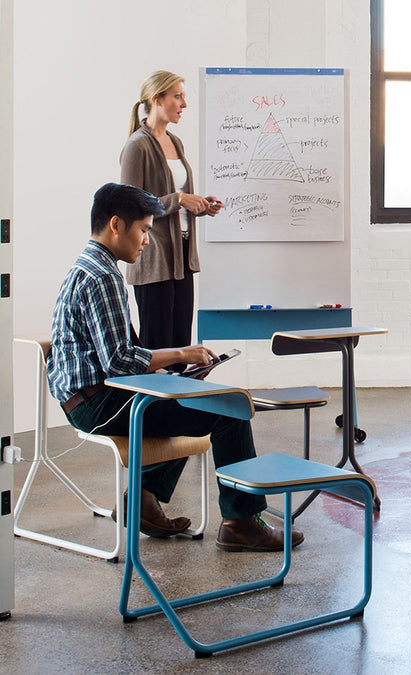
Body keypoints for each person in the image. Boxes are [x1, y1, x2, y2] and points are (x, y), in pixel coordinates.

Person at [47, 183, 302, 553]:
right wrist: (182, 353)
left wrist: (170, 369)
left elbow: (116, 356)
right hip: (97, 405)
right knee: (229, 408)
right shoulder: (103, 276)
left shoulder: (89, 265)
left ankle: (144, 499)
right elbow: (118, 362)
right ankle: (241, 523)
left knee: (188, 395)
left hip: (87, 398)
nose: (147, 241)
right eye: (144, 230)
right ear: (116, 225)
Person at [120, 70, 223, 349]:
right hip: (154, 260)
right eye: (177, 97)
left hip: (182, 257)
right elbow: (129, 203)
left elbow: (172, 197)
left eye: (183, 97)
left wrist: (198, 205)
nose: (184, 104)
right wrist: (179, 200)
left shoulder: (175, 142)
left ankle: (179, 395)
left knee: (181, 346)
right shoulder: (136, 145)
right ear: (157, 99)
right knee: (159, 348)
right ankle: (156, 397)